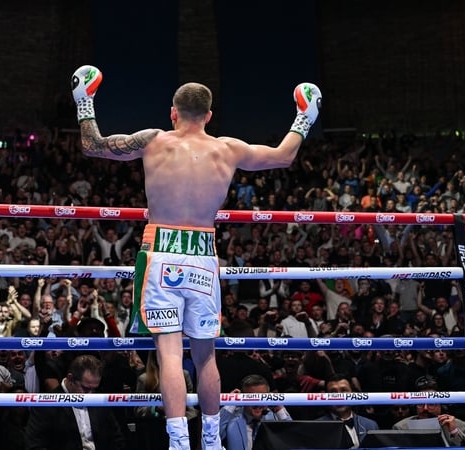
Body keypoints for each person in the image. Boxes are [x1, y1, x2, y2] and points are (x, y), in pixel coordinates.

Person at [71, 64, 321, 450]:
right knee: (205, 356)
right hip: (204, 255)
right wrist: (306, 114)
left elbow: (94, 144)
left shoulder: (154, 140)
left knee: (170, 354)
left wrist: (83, 100)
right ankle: (211, 440)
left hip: (161, 250)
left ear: (172, 112)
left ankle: (178, 443)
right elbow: (284, 155)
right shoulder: (228, 148)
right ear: (208, 115)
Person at [24, 354, 125, 450]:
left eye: (94, 389)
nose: (90, 395)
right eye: (85, 389)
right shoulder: (46, 405)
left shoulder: (98, 400)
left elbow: (117, 439)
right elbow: (34, 444)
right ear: (70, 379)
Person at [392, 375, 465, 446]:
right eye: (420, 404)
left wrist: (454, 431)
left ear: (441, 405)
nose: (425, 408)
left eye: (431, 404)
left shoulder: (460, 426)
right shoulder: (401, 428)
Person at [219, 374, 292, 450]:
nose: (257, 403)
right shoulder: (232, 418)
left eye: (261, 397)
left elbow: (293, 440)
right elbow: (212, 436)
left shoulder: (275, 417)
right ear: (243, 398)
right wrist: (231, 403)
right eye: (252, 398)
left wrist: (279, 409)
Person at [317, 373, 378, 449]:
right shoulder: (317, 427)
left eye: (344, 391)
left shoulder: (370, 425)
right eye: (333, 393)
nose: (340, 397)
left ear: (353, 393)